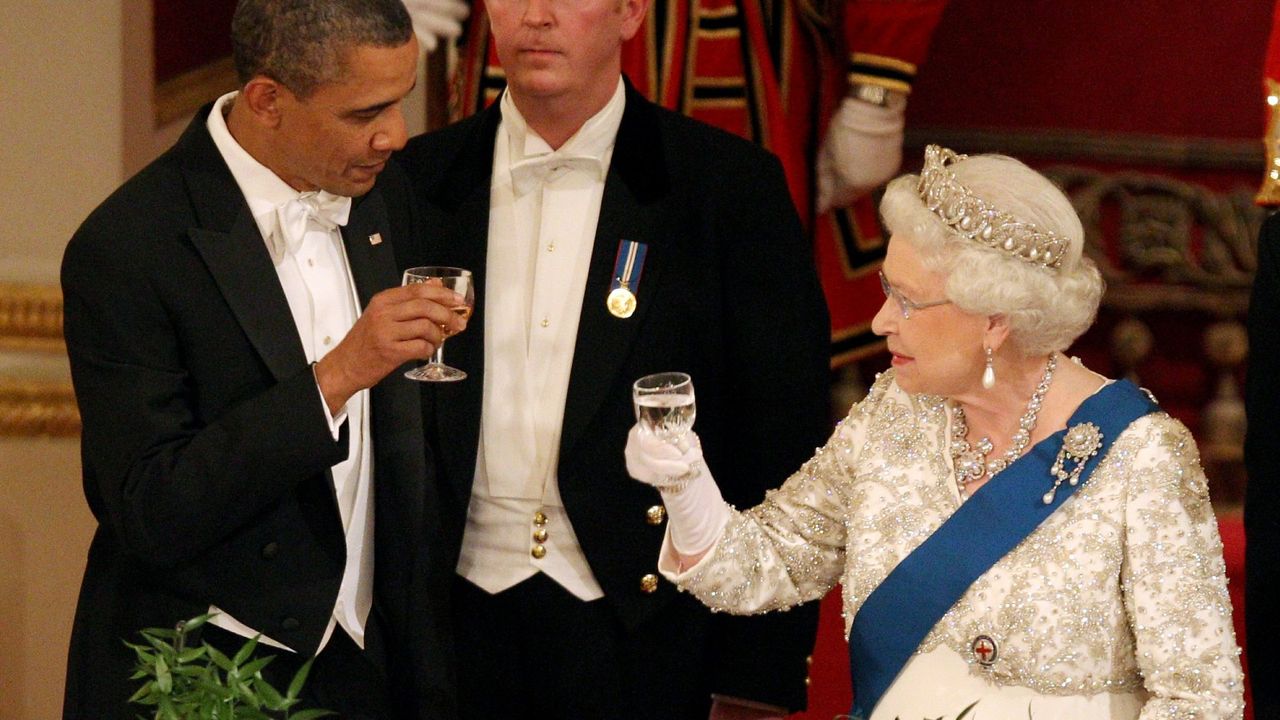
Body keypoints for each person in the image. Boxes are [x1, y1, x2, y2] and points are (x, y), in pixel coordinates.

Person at [626, 146, 1246, 719]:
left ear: (994, 320)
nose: (879, 321)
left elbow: (1201, 699)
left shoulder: (1140, 455)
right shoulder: (891, 412)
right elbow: (765, 565)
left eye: (906, 300)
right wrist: (686, 482)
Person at [395, 0, 831, 715]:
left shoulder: (726, 188)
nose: (535, 16)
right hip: (449, 626)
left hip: (644, 630)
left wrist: (756, 679)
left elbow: (780, 440)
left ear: (631, 12)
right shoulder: (416, 180)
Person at [60, 1, 462, 717]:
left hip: (371, 671)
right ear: (267, 101)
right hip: (203, 672)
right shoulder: (126, 247)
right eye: (365, 111)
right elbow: (151, 506)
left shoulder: (379, 194)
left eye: (399, 102)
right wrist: (336, 377)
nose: (396, 135)